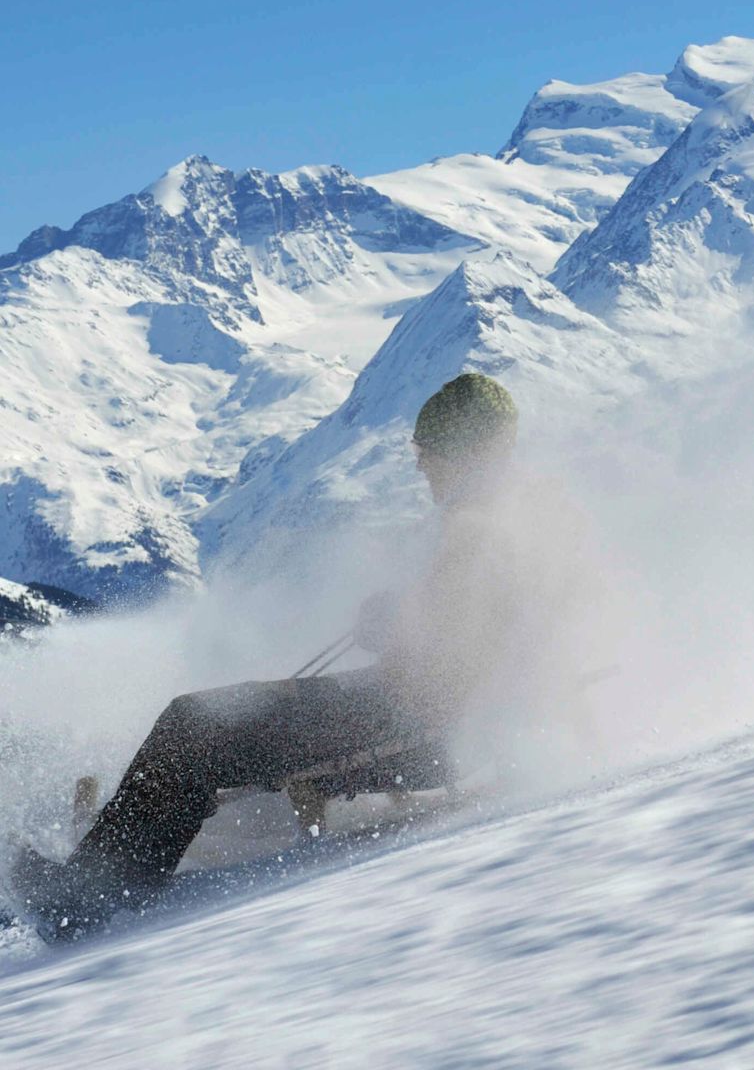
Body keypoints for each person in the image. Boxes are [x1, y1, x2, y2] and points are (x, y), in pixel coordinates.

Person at [11, 372, 523, 932]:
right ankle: (107, 866)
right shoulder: (506, 515)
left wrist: (396, 620)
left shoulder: (475, 526)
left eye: (429, 451)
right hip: (410, 712)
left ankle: (93, 898)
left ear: (462, 450)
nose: (421, 464)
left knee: (194, 727)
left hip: (407, 725)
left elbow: (449, 647)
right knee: (205, 722)